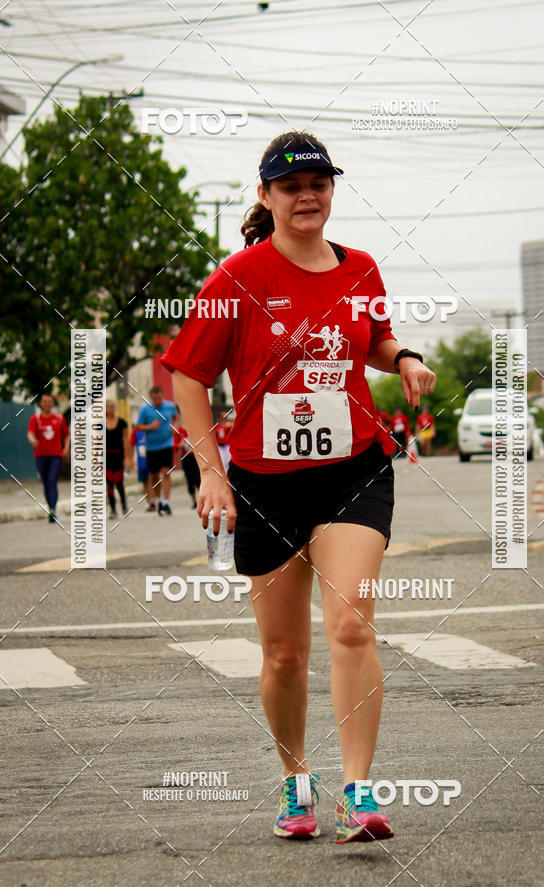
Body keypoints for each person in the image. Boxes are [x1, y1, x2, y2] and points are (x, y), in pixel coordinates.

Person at [161, 131, 435, 843]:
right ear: (266, 196)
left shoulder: (361, 267)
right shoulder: (236, 278)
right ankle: (295, 783)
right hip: (263, 482)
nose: (307, 194)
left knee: (350, 623)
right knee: (285, 653)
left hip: (354, 468)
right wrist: (212, 472)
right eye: (291, 185)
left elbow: (368, 336)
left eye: (318, 182)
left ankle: (359, 792)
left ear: (332, 190)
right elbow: (188, 373)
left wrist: (401, 355)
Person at [27, 393, 70, 523]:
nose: (47, 404)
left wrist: (66, 449)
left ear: (52, 404)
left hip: (55, 455)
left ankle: (53, 510)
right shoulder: (35, 419)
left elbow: (66, 436)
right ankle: (50, 508)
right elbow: (30, 433)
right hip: (40, 455)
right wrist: (32, 440)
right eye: (44, 402)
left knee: (52, 480)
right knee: (46, 483)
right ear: (41, 404)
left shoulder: (59, 419)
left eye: (49, 402)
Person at [136, 386, 177, 515]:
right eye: (154, 399)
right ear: (151, 398)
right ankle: (159, 499)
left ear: (162, 396)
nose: (157, 401)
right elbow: (138, 427)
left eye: (159, 398)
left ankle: (166, 502)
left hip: (166, 444)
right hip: (151, 447)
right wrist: (150, 426)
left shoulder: (170, 406)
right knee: (154, 476)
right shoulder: (145, 409)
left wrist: (174, 427)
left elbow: (176, 417)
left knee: (166, 472)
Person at [106, 400, 131, 519]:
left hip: (118, 455)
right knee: (109, 484)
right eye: (109, 406)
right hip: (106, 456)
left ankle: (124, 505)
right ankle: (112, 509)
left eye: (113, 406)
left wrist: (127, 457)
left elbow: (125, 440)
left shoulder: (122, 423)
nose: (111, 408)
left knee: (119, 483)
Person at [129, 425, 154, 510]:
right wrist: (131, 459)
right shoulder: (136, 430)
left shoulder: (151, 427)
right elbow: (131, 444)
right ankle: (148, 501)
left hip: (151, 457)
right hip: (141, 460)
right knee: (145, 482)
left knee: (151, 480)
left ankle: (153, 501)